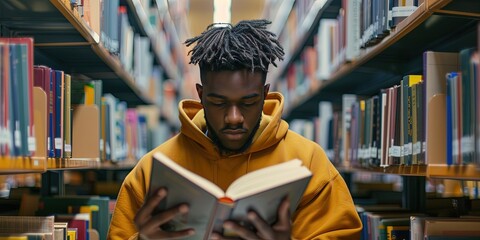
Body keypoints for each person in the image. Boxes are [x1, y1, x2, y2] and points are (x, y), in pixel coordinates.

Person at [107, 19, 362, 239]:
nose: (233, 118)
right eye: (218, 103)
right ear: (201, 95)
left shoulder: (309, 164)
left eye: (248, 103)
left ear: (264, 95)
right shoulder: (152, 171)